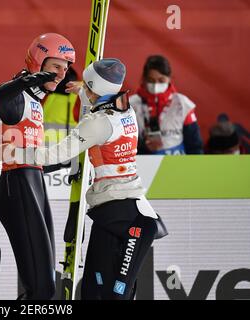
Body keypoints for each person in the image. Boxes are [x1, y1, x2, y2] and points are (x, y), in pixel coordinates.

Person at [10, 59, 168, 300]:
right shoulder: (126, 109)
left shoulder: (97, 123)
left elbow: (58, 153)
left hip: (129, 218)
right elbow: (99, 103)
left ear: (94, 88)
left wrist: (13, 154)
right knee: (93, 292)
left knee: (114, 296)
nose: (85, 90)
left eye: (88, 87)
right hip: (111, 212)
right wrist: (84, 91)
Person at [0, 33, 76, 299]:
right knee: (41, 288)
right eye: (55, 67)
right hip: (16, 188)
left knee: (44, 286)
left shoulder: (34, 99)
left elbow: (33, 156)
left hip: (33, 184)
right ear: (38, 62)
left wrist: (67, 163)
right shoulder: (17, 95)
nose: (62, 74)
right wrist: (27, 79)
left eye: (65, 69)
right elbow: (0, 95)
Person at [129, 55, 203, 155]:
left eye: (161, 80)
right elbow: (125, 143)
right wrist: (143, 146)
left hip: (177, 165)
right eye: (151, 80)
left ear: (169, 78)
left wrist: (196, 167)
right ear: (144, 79)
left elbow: (194, 144)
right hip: (144, 165)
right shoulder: (132, 104)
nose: (155, 85)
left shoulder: (182, 103)